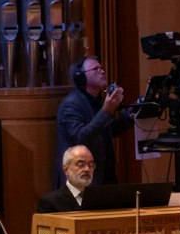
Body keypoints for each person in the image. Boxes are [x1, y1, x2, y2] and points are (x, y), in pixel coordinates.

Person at [53, 55, 127, 187]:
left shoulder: (98, 101)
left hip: (103, 177)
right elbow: (81, 137)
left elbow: (108, 130)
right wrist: (106, 111)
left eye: (102, 68)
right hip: (80, 180)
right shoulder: (71, 104)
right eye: (95, 69)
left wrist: (130, 117)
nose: (102, 71)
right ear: (80, 77)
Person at [36, 145, 99, 213]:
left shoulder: (100, 198)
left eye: (91, 165)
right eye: (81, 164)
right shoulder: (50, 203)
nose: (87, 169)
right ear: (66, 169)